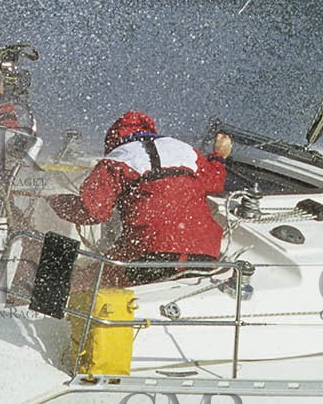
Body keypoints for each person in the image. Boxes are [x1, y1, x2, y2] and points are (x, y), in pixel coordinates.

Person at [55, 112, 232, 284]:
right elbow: (215, 182)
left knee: (88, 279)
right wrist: (218, 156)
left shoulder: (117, 159)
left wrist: (55, 202)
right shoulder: (185, 150)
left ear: (113, 142)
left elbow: (92, 212)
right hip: (204, 254)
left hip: (150, 256)